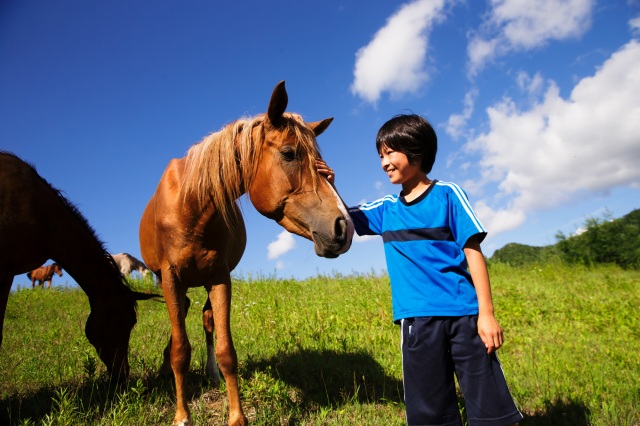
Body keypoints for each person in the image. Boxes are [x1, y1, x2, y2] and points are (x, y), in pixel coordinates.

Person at [317, 114, 523, 426]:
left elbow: (473, 252)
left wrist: (487, 314)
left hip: (465, 317)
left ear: (416, 150)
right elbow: (343, 217)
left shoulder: (448, 194)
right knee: (430, 413)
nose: (384, 163)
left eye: (390, 153)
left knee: (491, 408)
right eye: (380, 156)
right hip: (417, 323)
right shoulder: (386, 209)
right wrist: (329, 184)